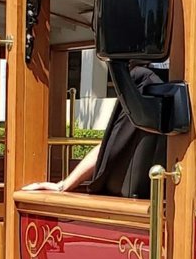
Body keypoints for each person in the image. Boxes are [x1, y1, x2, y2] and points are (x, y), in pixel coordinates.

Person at [26, 63, 167, 198]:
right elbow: (110, 146)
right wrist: (63, 185)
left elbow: (113, 145)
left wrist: (64, 185)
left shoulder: (145, 82)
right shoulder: (149, 83)